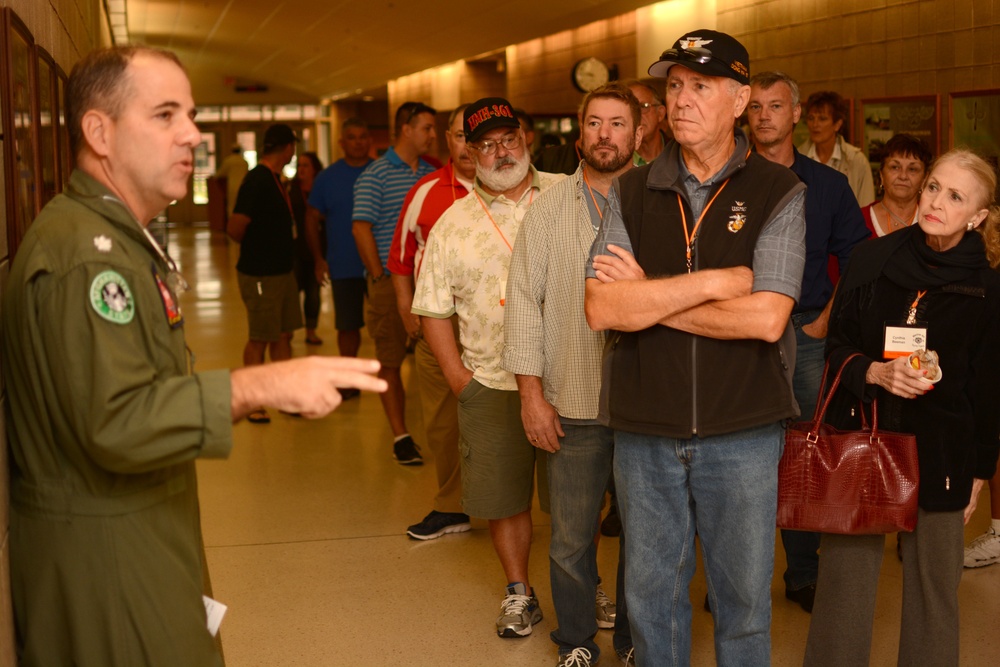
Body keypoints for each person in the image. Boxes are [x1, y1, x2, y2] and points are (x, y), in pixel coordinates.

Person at [0, 45, 385, 666]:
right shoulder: (87, 258)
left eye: (193, 114)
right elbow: (116, 420)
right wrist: (259, 386)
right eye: (166, 115)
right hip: (110, 561)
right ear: (99, 131)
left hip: (143, 532)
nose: (194, 135)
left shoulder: (118, 237)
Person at [584, 30, 806, 665]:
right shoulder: (629, 191)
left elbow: (767, 319)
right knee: (651, 601)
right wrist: (712, 285)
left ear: (739, 100)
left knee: (741, 608)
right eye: (673, 86)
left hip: (743, 430)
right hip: (645, 428)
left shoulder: (778, 192)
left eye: (699, 87)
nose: (680, 100)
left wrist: (649, 303)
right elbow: (603, 307)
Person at [803, 149, 1000, 666]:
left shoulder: (987, 286)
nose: (935, 201)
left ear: (977, 216)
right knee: (844, 588)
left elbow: (989, 388)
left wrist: (980, 472)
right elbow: (836, 344)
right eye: (934, 186)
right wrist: (873, 371)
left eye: (956, 196)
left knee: (936, 593)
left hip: (943, 451)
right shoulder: (873, 259)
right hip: (864, 437)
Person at [412, 96, 564, 639]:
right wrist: (461, 381)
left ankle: (583, 586)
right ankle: (519, 593)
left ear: (526, 139)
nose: (502, 152)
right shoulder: (452, 223)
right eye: (487, 145)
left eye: (509, 139)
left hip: (568, 380)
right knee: (503, 500)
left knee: (577, 496)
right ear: (470, 155)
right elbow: (432, 307)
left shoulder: (569, 195)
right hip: (492, 383)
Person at [504, 82, 639, 667]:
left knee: (649, 539)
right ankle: (577, 641)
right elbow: (523, 308)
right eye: (594, 124)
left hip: (645, 407)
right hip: (572, 400)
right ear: (579, 132)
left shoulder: (663, 202)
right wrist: (532, 397)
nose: (604, 135)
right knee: (569, 539)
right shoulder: (549, 208)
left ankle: (637, 641)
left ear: (639, 133)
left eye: (617, 124)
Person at [746, 70, 869, 613]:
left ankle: (801, 574)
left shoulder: (828, 185)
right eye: (755, 108)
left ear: (795, 114)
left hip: (807, 333)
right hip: (741, 335)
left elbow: (861, 263)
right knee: (741, 456)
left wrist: (828, 320)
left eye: (775, 106)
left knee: (802, 456)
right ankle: (740, 582)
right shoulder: (730, 180)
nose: (764, 116)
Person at [387, 105, 474, 540]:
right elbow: (401, 259)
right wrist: (407, 309)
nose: (469, 146)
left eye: (476, 136)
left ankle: (505, 504)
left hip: (500, 324)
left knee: (507, 417)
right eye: (460, 136)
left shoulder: (519, 193)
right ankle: (452, 504)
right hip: (439, 323)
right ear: (447, 138)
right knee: (443, 420)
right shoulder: (426, 191)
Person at [352, 101, 438, 464]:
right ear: (406, 128)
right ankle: (401, 435)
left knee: (434, 356)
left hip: (428, 281)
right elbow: (361, 227)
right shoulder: (376, 174)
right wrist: (378, 275)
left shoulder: (429, 173)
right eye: (427, 128)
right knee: (389, 357)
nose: (433, 136)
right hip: (390, 280)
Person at [227, 123, 302, 424]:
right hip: (260, 274)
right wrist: (260, 246)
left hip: (282, 272)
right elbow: (235, 228)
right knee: (260, 336)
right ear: (288, 148)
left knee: (282, 335)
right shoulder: (257, 179)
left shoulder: (275, 178)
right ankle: (252, 400)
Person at [306, 118, 373, 399]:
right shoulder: (328, 178)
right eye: (352, 137)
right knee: (347, 326)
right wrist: (319, 259)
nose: (358, 142)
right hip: (343, 263)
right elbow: (311, 217)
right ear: (342, 143)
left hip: (380, 265)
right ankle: (348, 380)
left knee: (387, 327)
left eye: (362, 136)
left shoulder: (379, 172)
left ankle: (389, 376)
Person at [798, 90, 875, 207]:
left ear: (837, 124)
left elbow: (866, 209)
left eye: (822, 119)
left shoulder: (856, 160)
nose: (815, 124)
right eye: (811, 118)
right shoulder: (798, 157)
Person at [863, 133, 932, 237]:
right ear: (882, 175)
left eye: (912, 169)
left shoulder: (933, 221)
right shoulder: (857, 219)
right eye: (895, 167)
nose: (903, 176)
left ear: (924, 179)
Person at [290, 151, 324, 345]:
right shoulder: (291, 189)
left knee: (313, 293)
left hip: (316, 249)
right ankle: (290, 329)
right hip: (295, 249)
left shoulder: (321, 190)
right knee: (293, 291)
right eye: (299, 165)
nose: (301, 169)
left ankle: (311, 331)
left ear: (315, 169)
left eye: (306, 165)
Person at [626, 80, 668, 165]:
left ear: (660, 113)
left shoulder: (679, 154)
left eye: (643, 106)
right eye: (630, 108)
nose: (636, 114)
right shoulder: (617, 158)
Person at [213, 142, 249, 218]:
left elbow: (220, 174)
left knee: (232, 206)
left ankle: (232, 225)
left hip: (232, 186)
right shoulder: (244, 162)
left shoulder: (228, 161)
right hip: (243, 186)